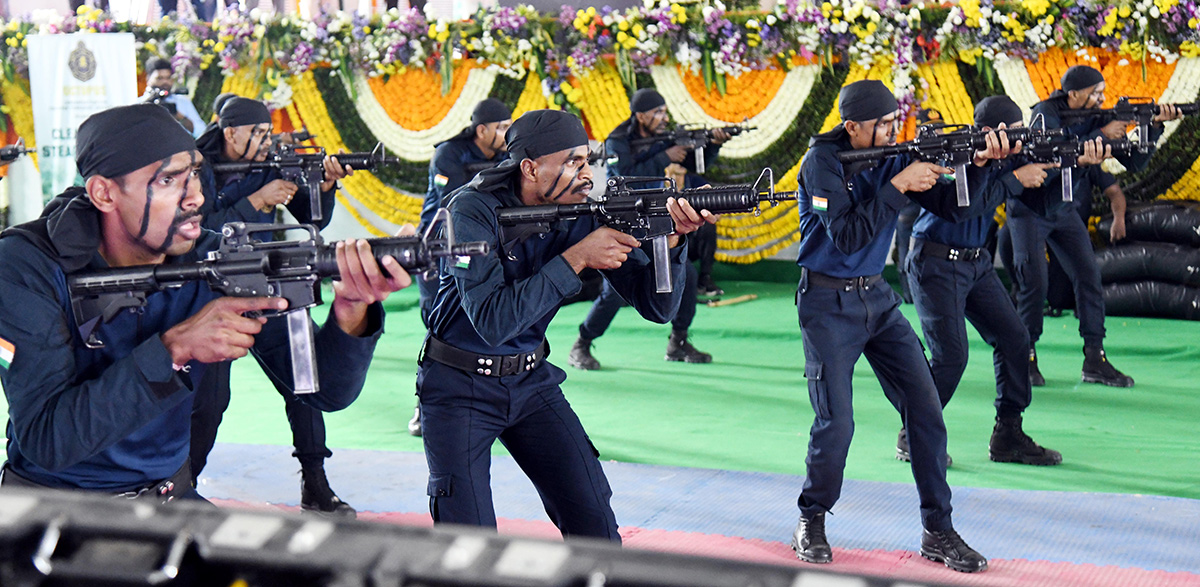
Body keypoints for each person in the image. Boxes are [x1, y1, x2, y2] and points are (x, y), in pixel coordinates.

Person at [0, 104, 409, 501]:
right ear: (104, 194)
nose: (194, 196)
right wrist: (174, 349)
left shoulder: (217, 259)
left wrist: (352, 308)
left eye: (195, 174)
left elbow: (325, 393)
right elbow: (47, 440)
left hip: (168, 499)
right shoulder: (27, 266)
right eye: (168, 181)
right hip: (54, 509)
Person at [417, 109, 715, 539]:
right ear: (530, 168)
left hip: (531, 382)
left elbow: (656, 307)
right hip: (458, 384)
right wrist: (576, 257)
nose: (586, 173)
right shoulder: (470, 209)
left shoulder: (586, 209)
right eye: (572, 161)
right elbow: (494, 322)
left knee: (592, 513)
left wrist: (671, 241)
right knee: (467, 539)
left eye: (587, 160)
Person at [791, 79, 1009, 573]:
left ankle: (939, 529)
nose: (893, 131)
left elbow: (959, 210)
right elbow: (845, 236)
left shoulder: (893, 155)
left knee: (927, 410)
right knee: (837, 423)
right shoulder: (821, 164)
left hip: (878, 300)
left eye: (895, 122)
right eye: (883, 125)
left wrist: (976, 166)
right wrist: (896, 187)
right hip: (826, 304)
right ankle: (812, 517)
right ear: (852, 127)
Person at [190, 96, 359, 516]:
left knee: (303, 382)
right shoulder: (198, 168)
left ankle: (316, 483)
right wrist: (257, 201)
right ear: (231, 133)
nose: (268, 141)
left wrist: (324, 185)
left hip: (266, 286)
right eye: (259, 134)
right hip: (215, 292)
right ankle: (181, 486)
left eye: (268, 133)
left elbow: (311, 217)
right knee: (208, 402)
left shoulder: (271, 163)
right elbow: (198, 229)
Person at [899, 96, 1082, 467]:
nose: (1019, 140)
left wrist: (1072, 166)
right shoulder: (957, 153)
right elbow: (966, 206)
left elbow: (1045, 208)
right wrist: (1014, 179)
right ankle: (912, 436)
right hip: (935, 261)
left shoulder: (1008, 158)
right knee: (951, 357)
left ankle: (1008, 435)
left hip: (975, 264)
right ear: (988, 132)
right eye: (1013, 132)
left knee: (1015, 339)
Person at [1013, 65, 1179, 387]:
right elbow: (1049, 153)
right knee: (1034, 284)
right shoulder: (1043, 114)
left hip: (1063, 209)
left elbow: (1135, 162)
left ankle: (1095, 358)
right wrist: (1101, 136)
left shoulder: (1096, 116)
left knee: (1089, 276)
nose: (1101, 99)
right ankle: (1025, 358)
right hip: (1031, 209)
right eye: (1095, 93)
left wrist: (1153, 126)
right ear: (1073, 94)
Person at [568, 89, 727, 370]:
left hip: (661, 222)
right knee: (615, 292)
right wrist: (664, 157)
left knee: (686, 277)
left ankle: (678, 341)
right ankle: (582, 342)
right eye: (657, 113)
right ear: (640, 116)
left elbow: (691, 164)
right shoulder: (618, 141)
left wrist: (712, 144)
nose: (663, 118)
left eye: (664, 111)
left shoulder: (664, 136)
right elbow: (625, 178)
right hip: (630, 221)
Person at [407, 98, 512, 437]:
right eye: (502, 127)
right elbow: (455, 202)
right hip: (437, 250)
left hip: (475, 247)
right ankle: (424, 406)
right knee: (438, 331)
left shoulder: (503, 157)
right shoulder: (448, 154)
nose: (507, 133)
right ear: (482, 130)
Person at [142, 57, 206, 139]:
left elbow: (201, 132)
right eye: (159, 78)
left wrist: (179, 117)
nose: (165, 82)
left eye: (168, 78)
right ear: (148, 79)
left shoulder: (182, 101)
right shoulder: (140, 103)